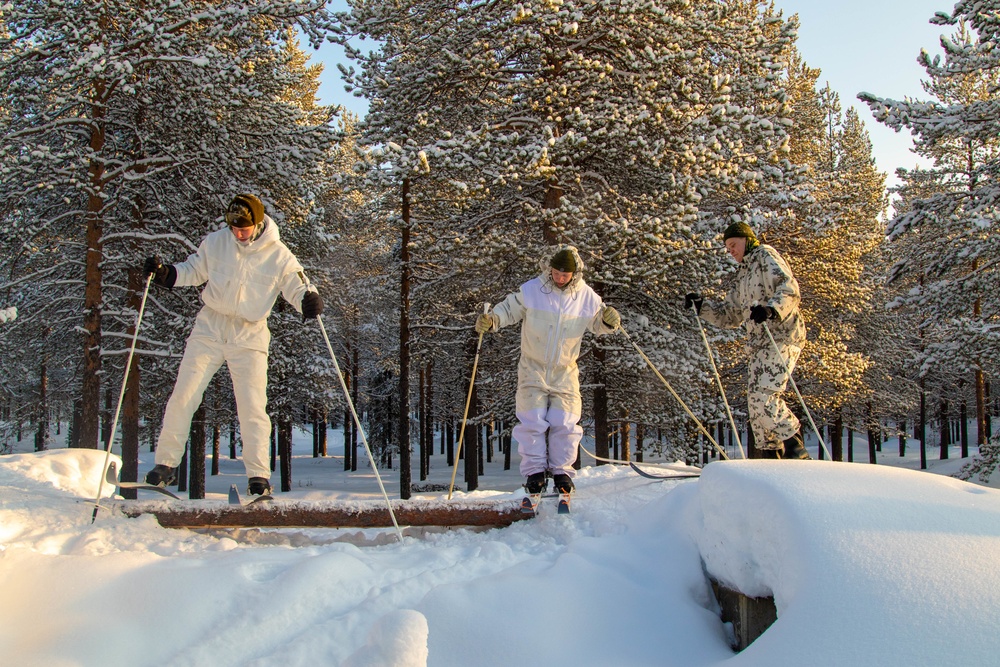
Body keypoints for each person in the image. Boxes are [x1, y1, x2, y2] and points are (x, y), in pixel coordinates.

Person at [142, 194, 324, 495]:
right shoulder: (216, 243)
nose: (239, 233)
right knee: (183, 394)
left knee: (252, 407)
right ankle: (165, 465)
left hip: (249, 334)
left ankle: (258, 476)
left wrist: (308, 299)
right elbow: (193, 270)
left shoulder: (278, 255)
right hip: (210, 327)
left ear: (258, 222)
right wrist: (167, 274)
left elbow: (296, 284)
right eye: (234, 227)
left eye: (245, 227)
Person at [475, 245, 620, 495]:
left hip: (566, 371)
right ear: (549, 269)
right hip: (533, 367)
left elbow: (599, 323)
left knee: (565, 422)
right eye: (556, 273)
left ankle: (562, 472)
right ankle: (534, 473)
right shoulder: (533, 290)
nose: (560, 278)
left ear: (574, 274)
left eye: (565, 275)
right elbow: (509, 309)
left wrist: (609, 321)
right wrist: (493, 320)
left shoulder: (587, 297)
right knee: (532, 420)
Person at [685, 222, 811, 460]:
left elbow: (790, 287)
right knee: (755, 402)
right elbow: (730, 315)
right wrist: (702, 308)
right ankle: (771, 454)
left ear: (747, 240)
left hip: (782, 336)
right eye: (727, 247)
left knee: (764, 395)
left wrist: (772, 310)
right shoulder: (742, 275)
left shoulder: (765, 255)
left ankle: (796, 449)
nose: (731, 251)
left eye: (733, 244)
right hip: (759, 344)